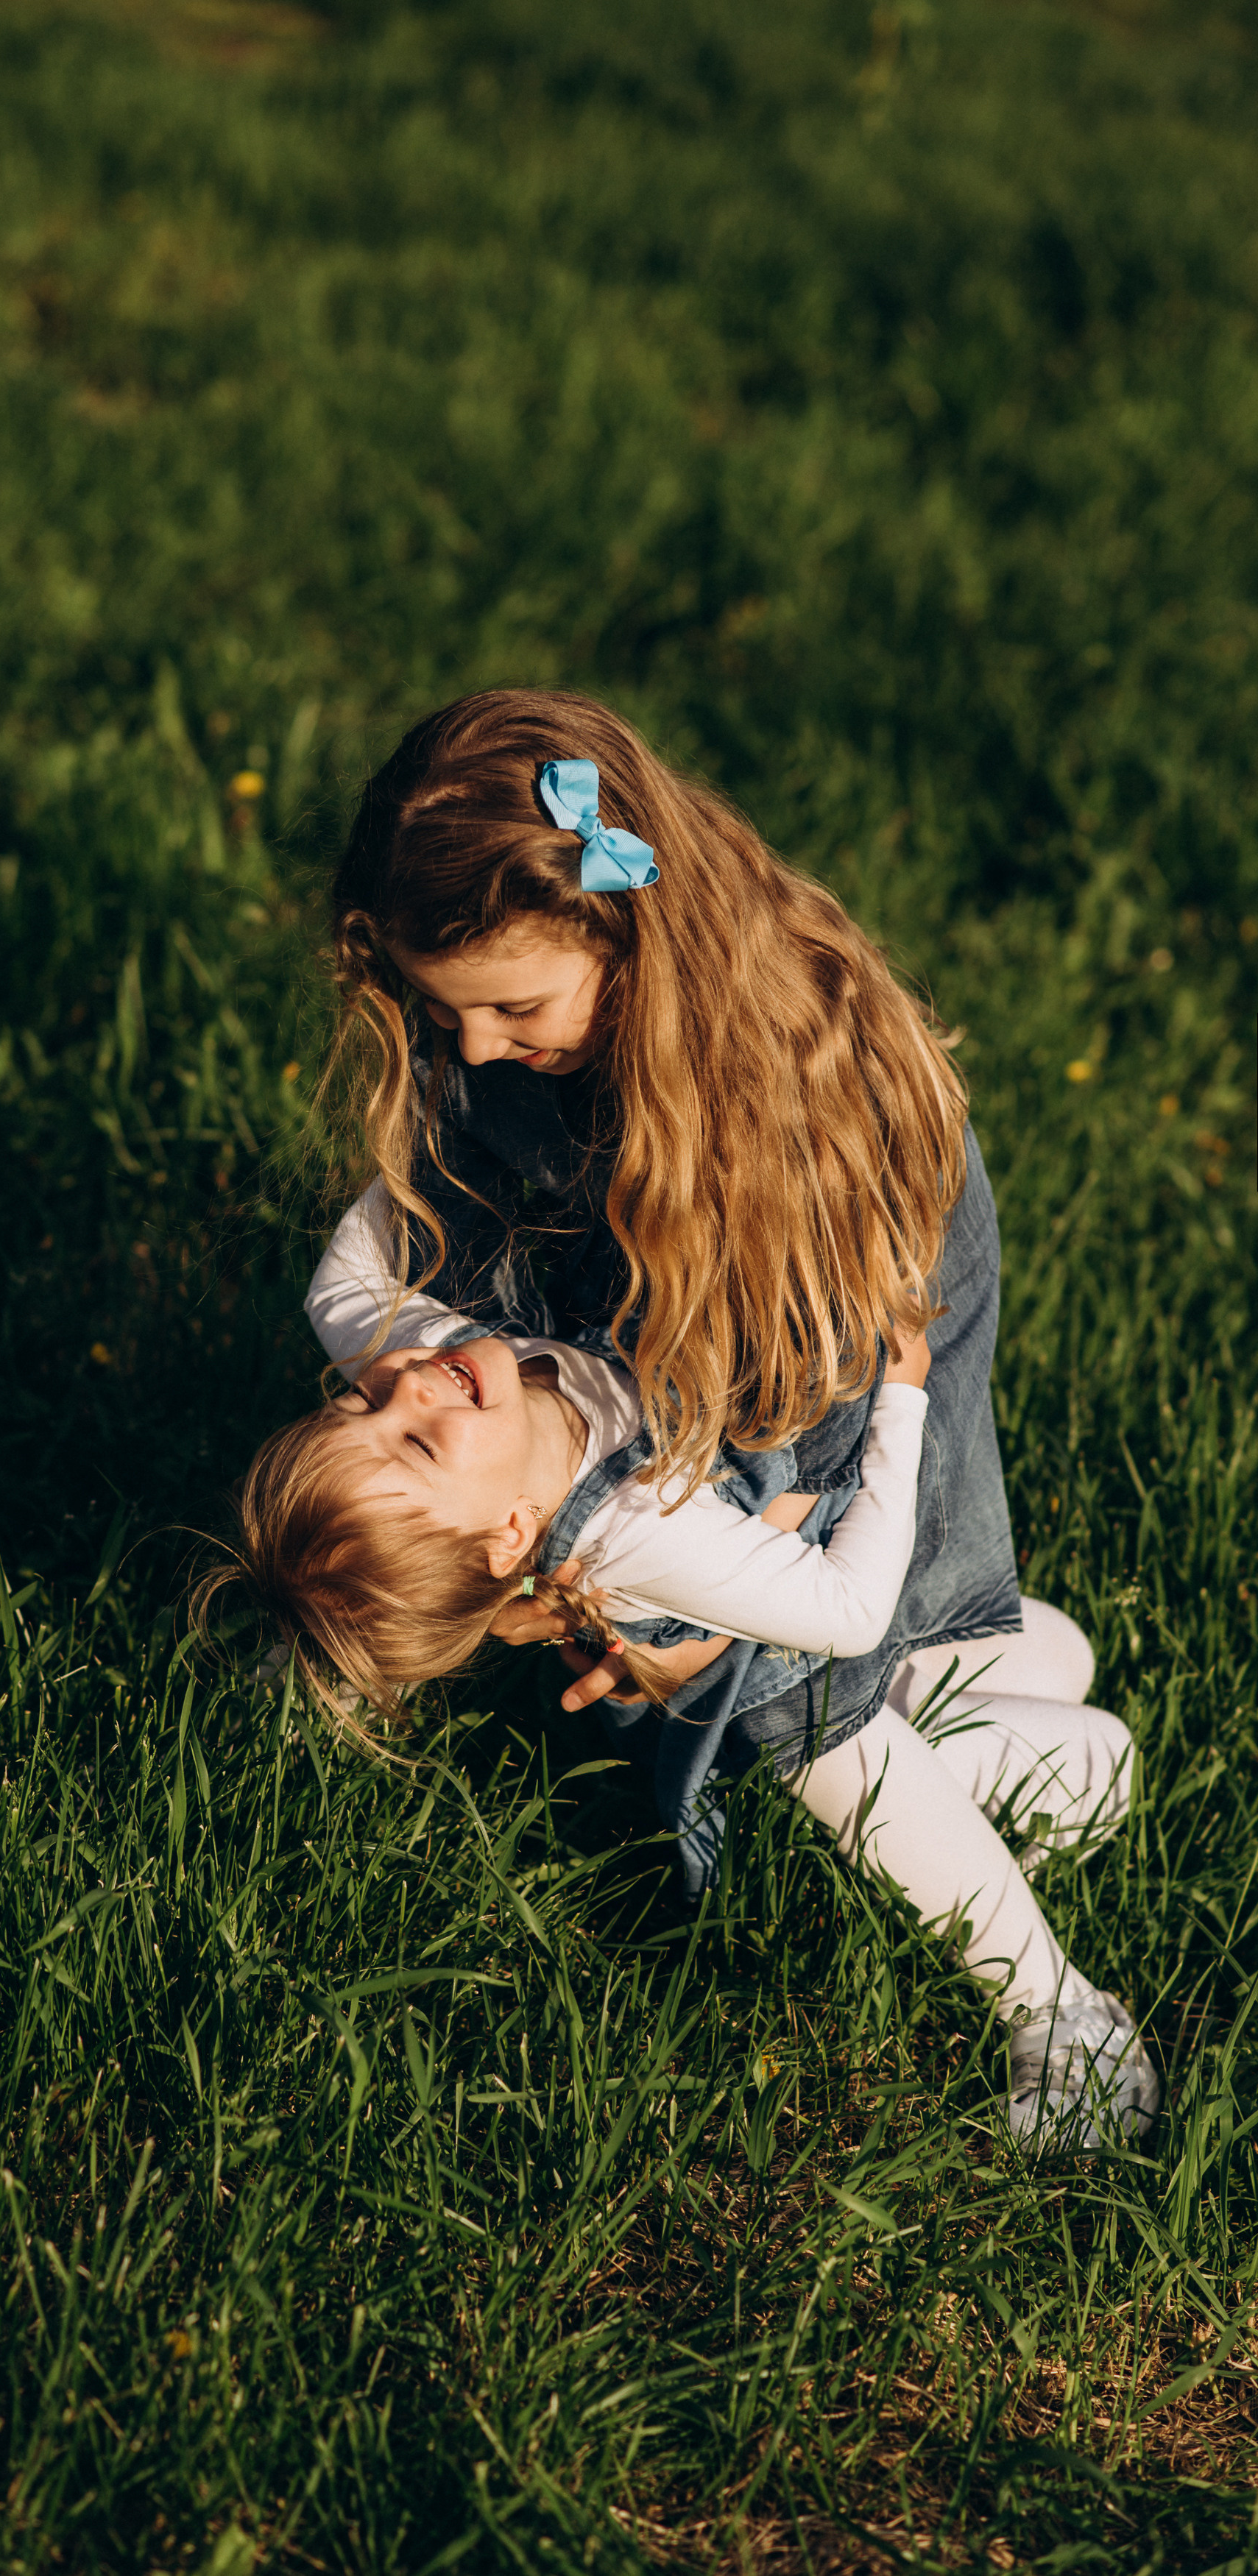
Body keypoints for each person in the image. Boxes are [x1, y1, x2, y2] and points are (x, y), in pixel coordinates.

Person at [280, 682, 1156, 2147]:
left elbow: (800, 1444)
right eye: (447, 1014)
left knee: (789, 1701)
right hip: (692, 1324)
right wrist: (435, 1349)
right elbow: (387, 1258)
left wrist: (724, 1600)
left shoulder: (775, 1105)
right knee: (783, 1666)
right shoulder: (530, 1058)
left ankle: (1061, 2016)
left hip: (845, 1331)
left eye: (512, 1007)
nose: (477, 1047)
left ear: (622, 929)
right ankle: (1021, 1694)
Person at [218, 1193, 1154, 2150]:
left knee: (1061, 1653)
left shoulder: (450, 1377)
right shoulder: (634, 1528)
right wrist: (902, 1400)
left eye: (361, 1396)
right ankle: (1061, 2010)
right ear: (509, 1535)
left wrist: (425, 1095)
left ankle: (1042, 1787)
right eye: (412, 1439)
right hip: (778, 1692)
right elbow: (847, 1611)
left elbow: (342, 1281)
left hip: (787, 1591)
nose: (405, 1386)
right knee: (836, 1738)